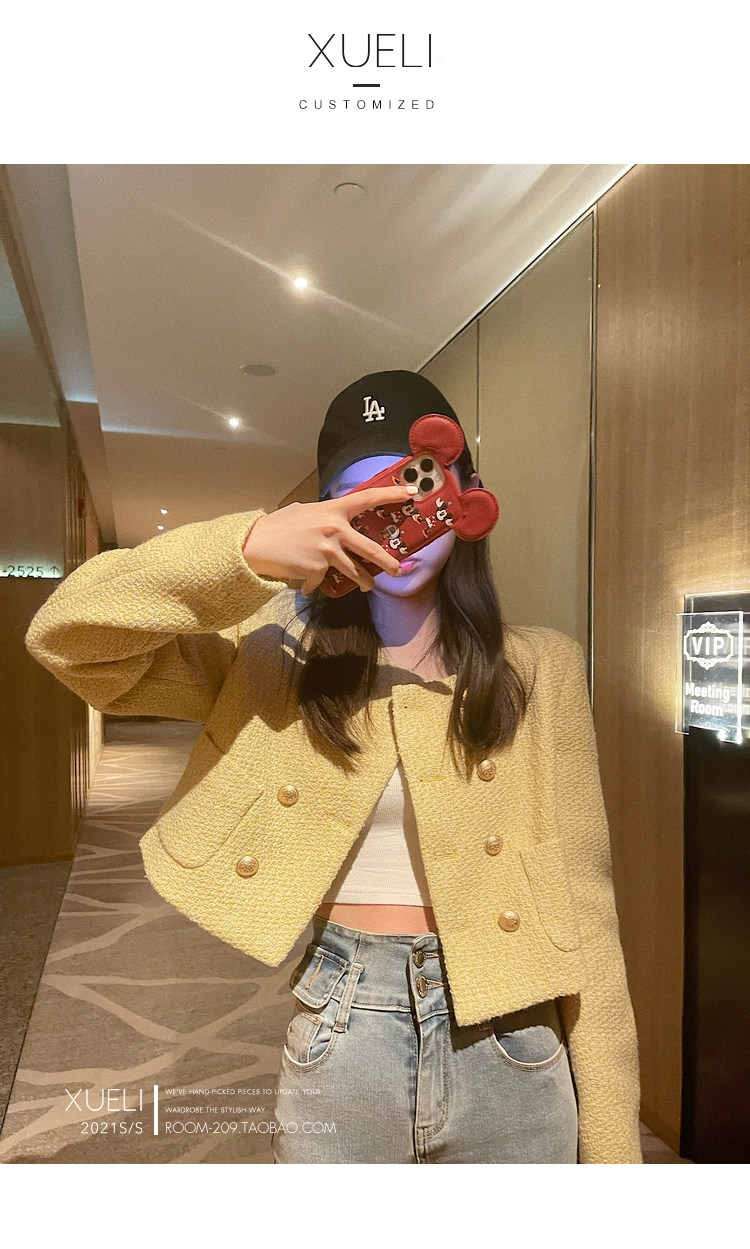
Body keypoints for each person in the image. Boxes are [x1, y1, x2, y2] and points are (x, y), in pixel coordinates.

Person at [24, 369, 642, 1164]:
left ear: (461, 493)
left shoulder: (540, 666)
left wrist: (617, 1157)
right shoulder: (269, 654)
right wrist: (246, 549)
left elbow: (587, 912)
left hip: (514, 1037)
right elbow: (68, 637)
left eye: (413, 486)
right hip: (346, 1023)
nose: (395, 519)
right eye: (359, 499)